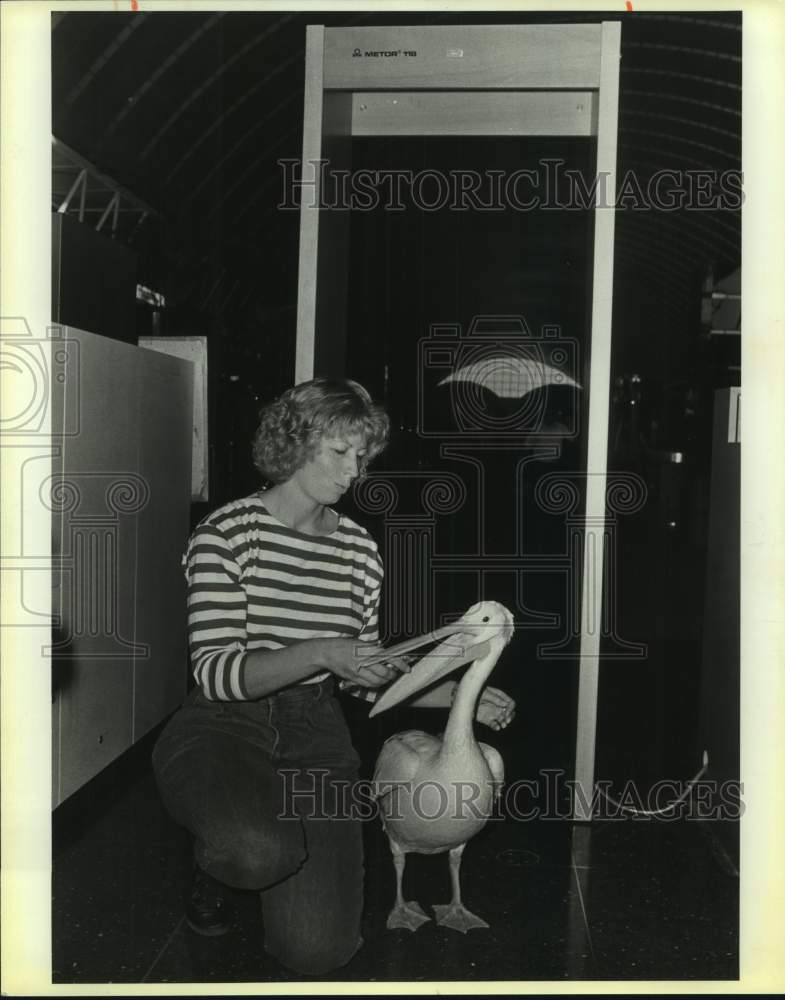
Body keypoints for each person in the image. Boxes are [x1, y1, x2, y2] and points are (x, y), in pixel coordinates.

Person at [152, 377, 515, 976]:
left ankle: (250, 835)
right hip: (224, 724)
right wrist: (321, 649)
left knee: (320, 951)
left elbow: (362, 675)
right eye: (340, 452)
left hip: (317, 732)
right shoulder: (227, 534)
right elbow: (216, 672)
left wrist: (459, 699)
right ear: (295, 443)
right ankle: (216, 866)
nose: (354, 472)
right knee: (254, 850)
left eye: (363, 457)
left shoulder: (359, 551)